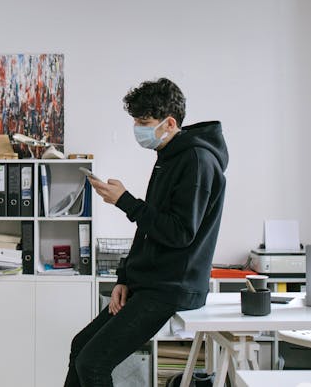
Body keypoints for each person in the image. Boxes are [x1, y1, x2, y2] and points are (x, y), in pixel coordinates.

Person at [64, 77, 228, 387]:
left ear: (169, 122)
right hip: (151, 282)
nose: (138, 128)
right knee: (80, 348)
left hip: (171, 286)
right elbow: (149, 230)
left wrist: (125, 201)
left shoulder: (196, 160)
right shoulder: (168, 157)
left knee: (93, 364)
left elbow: (180, 233)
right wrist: (125, 278)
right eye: (136, 120)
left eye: (144, 121)